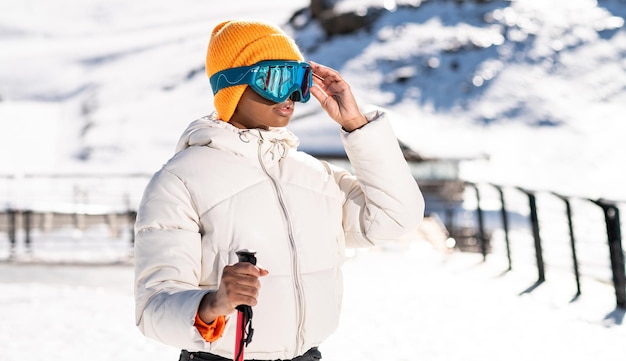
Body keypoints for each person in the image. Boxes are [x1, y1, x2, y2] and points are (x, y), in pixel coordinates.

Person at [134, 19, 425, 361]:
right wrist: (213, 304)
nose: (289, 96)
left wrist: (356, 125)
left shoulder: (313, 174)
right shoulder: (180, 180)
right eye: (276, 79)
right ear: (232, 85)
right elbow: (153, 309)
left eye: (299, 81)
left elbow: (396, 219)